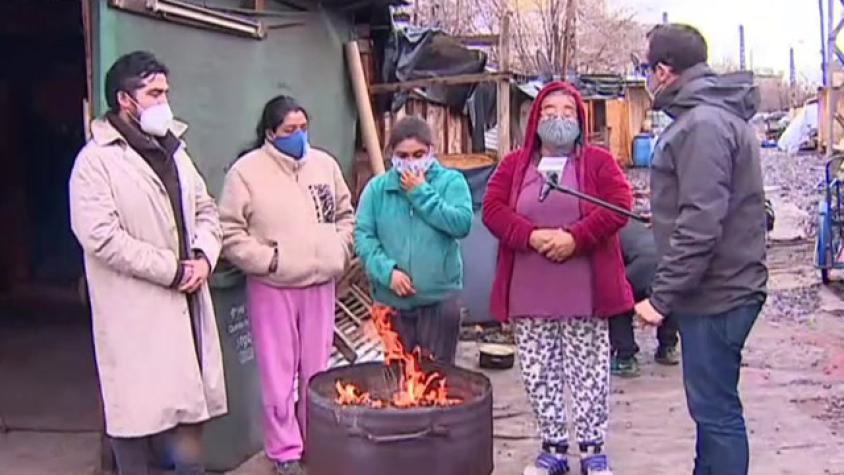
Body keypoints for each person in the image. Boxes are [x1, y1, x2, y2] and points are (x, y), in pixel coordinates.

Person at [69, 51, 226, 475]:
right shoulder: (95, 163)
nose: (164, 102)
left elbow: (208, 210)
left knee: (187, 449)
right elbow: (101, 237)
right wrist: (172, 269)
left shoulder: (176, 153)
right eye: (154, 93)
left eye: (166, 93)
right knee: (137, 436)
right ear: (125, 99)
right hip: (136, 317)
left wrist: (204, 258)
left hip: (187, 309)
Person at [635, 24, 768, 475]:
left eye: (647, 67)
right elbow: (709, 206)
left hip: (718, 294)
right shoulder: (711, 115)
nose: (647, 78)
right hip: (722, 288)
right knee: (710, 414)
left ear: (665, 70)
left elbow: (702, 224)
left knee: (717, 415)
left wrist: (661, 299)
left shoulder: (702, 124)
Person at [482, 81, 633, 475]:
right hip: (529, 290)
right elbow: (493, 209)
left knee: (588, 371)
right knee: (538, 370)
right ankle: (553, 450)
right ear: (535, 119)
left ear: (580, 120)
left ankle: (593, 452)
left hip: (584, 289)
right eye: (549, 111)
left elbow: (620, 206)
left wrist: (575, 238)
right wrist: (530, 235)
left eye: (568, 111)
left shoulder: (599, 162)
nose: (558, 118)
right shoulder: (515, 165)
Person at [218, 95, 355, 475]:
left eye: (303, 128)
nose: (299, 137)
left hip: (320, 282)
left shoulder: (324, 165)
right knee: (278, 374)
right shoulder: (247, 173)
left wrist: (339, 249)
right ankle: (285, 451)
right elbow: (229, 230)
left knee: (317, 370)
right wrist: (269, 261)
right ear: (270, 133)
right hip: (273, 286)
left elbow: (345, 213)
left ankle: (315, 440)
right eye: (289, 130)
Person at [356, 116, 472, 363]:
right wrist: (388, 273)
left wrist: (421, 193)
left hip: (439, 300)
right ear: (392, 155)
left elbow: (461, 224)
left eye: (418, 154)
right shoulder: (377, 189)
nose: (410, 162)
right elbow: (364, 237)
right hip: (391, 302)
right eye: (403, 155)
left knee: (436, 379)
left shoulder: (451, 182)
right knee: (400, 382)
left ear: (432, 151)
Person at [610, 219, 680, 377]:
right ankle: (667, 348)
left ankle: (625, 358)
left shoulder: (609, 226)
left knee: (617, 301)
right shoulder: (633, 222)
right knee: (668, 298)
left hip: (640, 264)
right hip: (665, 260)